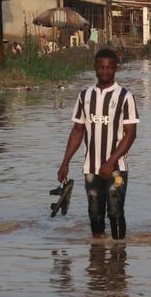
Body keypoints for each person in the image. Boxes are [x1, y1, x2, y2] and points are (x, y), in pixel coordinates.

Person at [57, 49, 139, 240]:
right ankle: (98, 257)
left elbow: (131, 134)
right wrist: (65, 161)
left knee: (115, 210)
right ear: (95, 68)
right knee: (94, 211)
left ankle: (119, 257)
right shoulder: (84, 96)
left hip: (117, 169)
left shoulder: (125, 96)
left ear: (115, 69)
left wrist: (111, 163)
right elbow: (78, 130)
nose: (105, 72)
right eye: (101, 67)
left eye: (109, 68)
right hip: (91, 168)